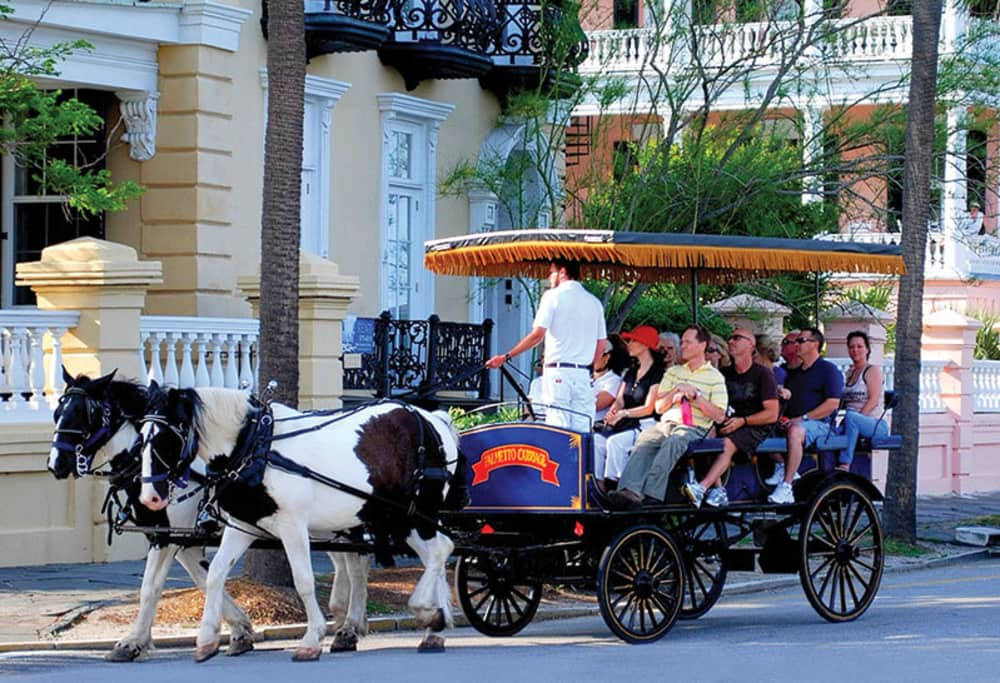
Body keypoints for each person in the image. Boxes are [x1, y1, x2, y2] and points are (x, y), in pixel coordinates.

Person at [608, 325, 728, 509]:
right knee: (645, 439)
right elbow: (659, 406)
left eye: (688, 342)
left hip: (694, 426)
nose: (683, 346)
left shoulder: (715, 377)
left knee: (674, 441)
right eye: (682, 342)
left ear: (702, 345)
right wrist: (676, 391)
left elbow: (719, 416)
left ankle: (652, 494)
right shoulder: (674, 372)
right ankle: (628, 491)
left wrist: (697, 397)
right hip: (667, 422)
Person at [486, 260, 606, 432]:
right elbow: (601, 344)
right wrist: (589, 367)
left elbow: (537, 336)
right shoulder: (594, 302)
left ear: (562, 272)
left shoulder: (552, 296)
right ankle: (581, 459)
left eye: (551, 273)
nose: (549, 277)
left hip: (559, 372)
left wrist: (506, 356)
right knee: (583, 429)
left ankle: (560, 459)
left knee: (558, 427)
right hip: (583, 374)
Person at [682, 328, 779, 508]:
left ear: (751, 344)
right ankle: (718, 488)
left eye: (737, 338)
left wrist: (743, 421)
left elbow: (772, 413)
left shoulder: (763, 374)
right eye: (730, 338)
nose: (731, 341)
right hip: (727, 422)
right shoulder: (725, 374)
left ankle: (701, 488)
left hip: (755, 426)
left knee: (727, 443)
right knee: (705, 434)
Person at [768, 327, 844, 504]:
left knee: (796, 431)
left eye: (801, 341)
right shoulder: (793, 373)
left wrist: (802, 419)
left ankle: (786, 486)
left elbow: (832, 404)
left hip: (820, 425)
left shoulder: (828, 370)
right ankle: (781, 466)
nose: (796, 345)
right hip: (791, 422)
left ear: (815, 345)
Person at [598, 325, 665, 489]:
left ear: (645, 345)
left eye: (633, 340)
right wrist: (614, 410)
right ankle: (597, 486)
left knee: (616, 443)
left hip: (645, 425)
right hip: (625, 423)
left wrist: (623, 414)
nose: (629, 344)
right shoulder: (631, 372)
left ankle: (620, 486)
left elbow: (649, 408)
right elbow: (620, 398)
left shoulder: (658, 373)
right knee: (596, 441)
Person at [837, 330, 887, 471]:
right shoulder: (849, 373)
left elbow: (874, 401)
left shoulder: (872, 371)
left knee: (851, 417)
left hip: (874, 424)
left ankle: (845, 463)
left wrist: (855, 419)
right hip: (851, 423)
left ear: (867, 349)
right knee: (829, 434)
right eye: (852, 347)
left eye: (859, 346)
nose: (855, 350)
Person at [592, 339, 622, 422]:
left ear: (607, 357)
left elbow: (595, 405)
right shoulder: (584, 375)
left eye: (596, 356)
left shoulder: (614, 380)